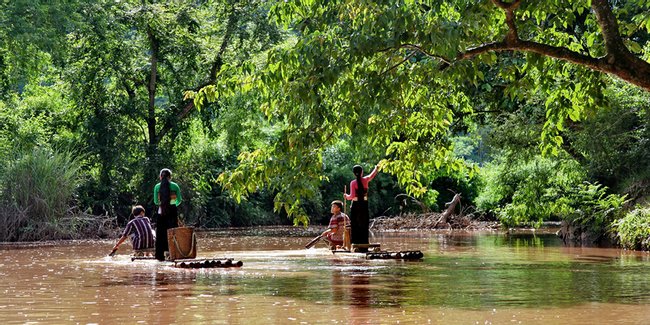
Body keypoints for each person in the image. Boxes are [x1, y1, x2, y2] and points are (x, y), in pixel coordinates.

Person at [344, 163, 380, 249]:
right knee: (363, 223)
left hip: (356, 205)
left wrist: (346, 196)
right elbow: (372, 175)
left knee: (355, 223)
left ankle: (356, 242)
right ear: (362, 172)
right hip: (364, 204)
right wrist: (376, 168)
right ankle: (364, 242)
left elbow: (352, 196)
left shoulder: (353, 183)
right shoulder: (366, 180)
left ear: (354, 173)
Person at [153, 168, 182, 261]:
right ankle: (173, 253)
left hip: (161, 211)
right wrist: (173, 205)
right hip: (172, 210)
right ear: (170, 177)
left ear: (160, 177)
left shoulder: (157, 187)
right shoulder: (175, 186)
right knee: (173, 232)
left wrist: (163, 205)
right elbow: (179, 200)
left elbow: (156, 201)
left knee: (160, 233)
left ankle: (160, 256)